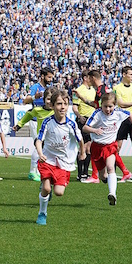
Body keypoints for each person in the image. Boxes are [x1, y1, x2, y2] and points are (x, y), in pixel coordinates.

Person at [34, 89, 85, 225]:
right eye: (59, 104)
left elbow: (80, 140)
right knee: (46, 188)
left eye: (65, 104)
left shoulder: (71, 124)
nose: (62, 107)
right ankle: (42, 213)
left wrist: (83, 152)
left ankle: (49, 189)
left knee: (59, 192)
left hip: (63, 162)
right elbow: (39, 140)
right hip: (48, 159)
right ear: (52, 106)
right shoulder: (47, 122)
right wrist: (40, 153)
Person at [83, 92, 132, 206]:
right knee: (103, 176)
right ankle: (106, 180)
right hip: (97, 147)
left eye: (110, 106)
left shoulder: (118, 113)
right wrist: (95, 130)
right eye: (105, 106)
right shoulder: (97, 114)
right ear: (101, 105)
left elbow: (130, 114)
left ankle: (112, 194)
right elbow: (85, 127)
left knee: (111, 167)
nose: (108, 109)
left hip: (110, 146)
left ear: (114, 105)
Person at [22, 67, 55, 181]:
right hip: (36, 120)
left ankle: (39, 171)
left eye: (51, 77)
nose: (51, 79)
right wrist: (35, 97)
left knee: (43, 146)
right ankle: (32, 171)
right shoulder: (36, 87)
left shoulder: (50, 89)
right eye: (49, 77)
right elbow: (25, 100)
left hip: (46, 121)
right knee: (38, 145)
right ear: (42, 76)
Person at [72, 71, 96, 181]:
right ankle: (80, 173)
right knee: (83, 147)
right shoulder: (78, 90)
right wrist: (79, 116)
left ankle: (86, 173)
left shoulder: (93, 90)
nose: (92, 80)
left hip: (92, 121)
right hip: (83, 119)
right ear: (85, 78)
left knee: (89, 148)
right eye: (90, 78)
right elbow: (74, 107)